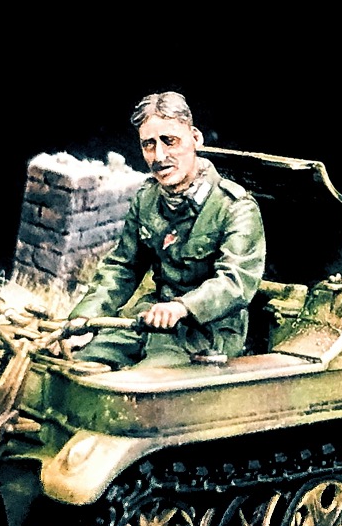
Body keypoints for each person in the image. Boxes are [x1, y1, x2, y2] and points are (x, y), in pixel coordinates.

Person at [66, 91, 265, 369]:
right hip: (149, 320)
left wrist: (182, 307)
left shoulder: (235, 206)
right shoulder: (147, 199)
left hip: (207, 333)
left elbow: (235, 283)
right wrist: (85, 316)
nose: (159, 156)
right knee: (76, 365)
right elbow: (123, 266)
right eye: (149, 145)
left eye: (169, 141)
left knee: (141, 386)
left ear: (195, 138)